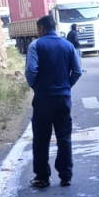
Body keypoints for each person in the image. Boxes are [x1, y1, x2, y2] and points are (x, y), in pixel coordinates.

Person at [26, 16, 83, 187]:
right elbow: (77, 71)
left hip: (44, 98)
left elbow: (31, 69)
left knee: (41, 138)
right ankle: (66, 175)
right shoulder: (68, 45)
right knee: (64, 137)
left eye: (38, 29)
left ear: (42, 28)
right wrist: (67, 86)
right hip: (63, 97)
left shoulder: (36, 45)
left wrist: (35, 86)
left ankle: (42, 176)